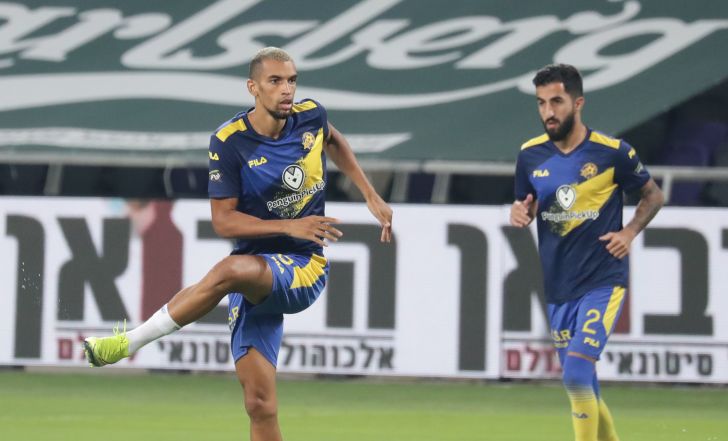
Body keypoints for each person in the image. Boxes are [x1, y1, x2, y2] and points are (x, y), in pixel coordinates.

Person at [83, 47, 393, 441]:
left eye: (292, 80)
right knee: (259, 404)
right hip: (253, 273)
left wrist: (370, 194)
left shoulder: (311, 115)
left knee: (229, 271)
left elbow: (333, 140)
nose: (287, 89)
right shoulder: (229, 141)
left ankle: (130, 343)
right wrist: (291, 224)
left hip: (304, 266)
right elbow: (224, 221)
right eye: (275, 81)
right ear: (253, 88)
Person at [510, 64, 664, 441]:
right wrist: (520, 212)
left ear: (578, 103)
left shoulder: (613, 153)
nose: (548, 111)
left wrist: (629, 231)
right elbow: (526, 203)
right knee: (584, 383)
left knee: (576, 373)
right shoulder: (530, 155)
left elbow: (653, 195)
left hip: (602, 280)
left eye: (557, 102)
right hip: (558, 287)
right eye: (541, 103)